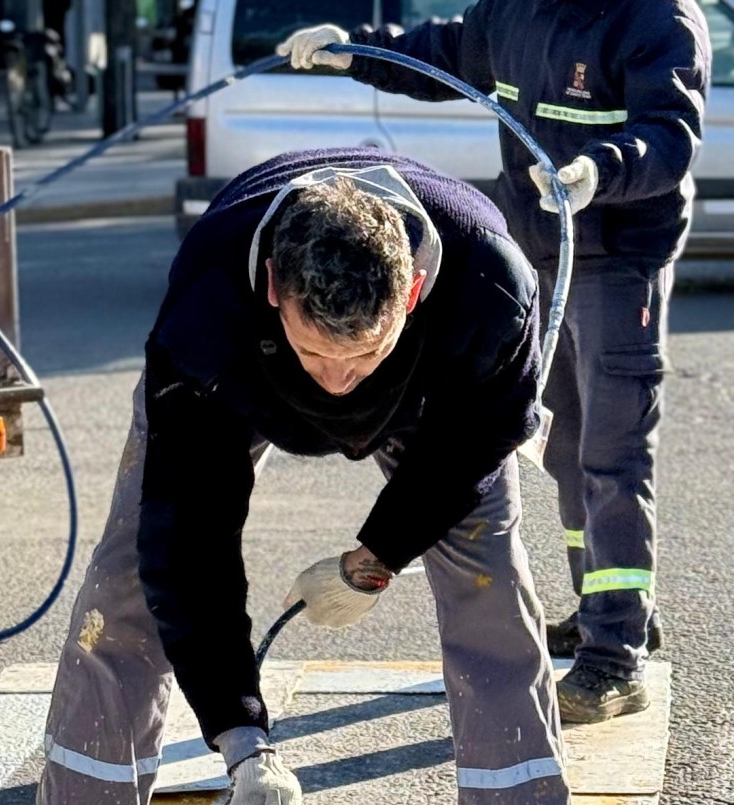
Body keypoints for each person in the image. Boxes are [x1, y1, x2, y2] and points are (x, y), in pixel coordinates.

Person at [36, 148, 569, 805]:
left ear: (410, 292)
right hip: (242, 383)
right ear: (271, 286)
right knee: (125, 581)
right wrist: (241, 741)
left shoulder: (487, 286)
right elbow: (186, 543)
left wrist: (379, 556)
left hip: (431, 401)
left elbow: (475, 445)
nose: (339, 382)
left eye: (365, 354)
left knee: (489, 577)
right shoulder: (208, 307)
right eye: (316, 353)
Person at [278, 0, 711, 724]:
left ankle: (615, 657)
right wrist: (353, 51)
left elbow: (669, 139)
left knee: (611, 452)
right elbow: (445, 54)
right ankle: (605, 608)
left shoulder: (655, 18)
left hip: (620, 255)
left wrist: (598, 172)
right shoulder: (515, 10)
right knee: (566, 447)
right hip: (541, 246)